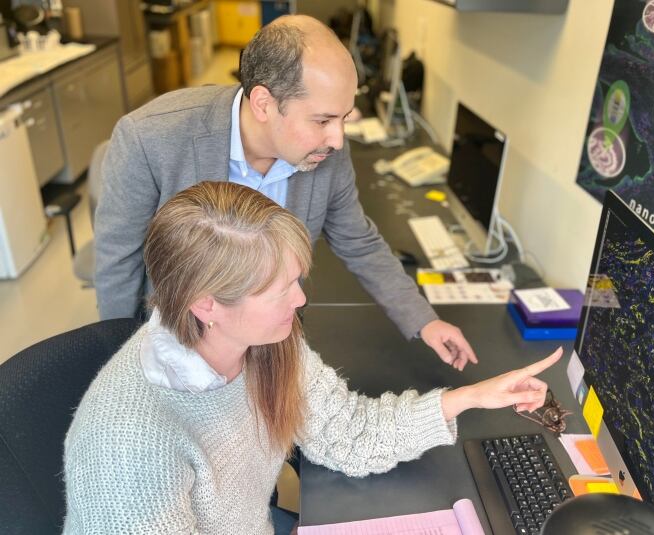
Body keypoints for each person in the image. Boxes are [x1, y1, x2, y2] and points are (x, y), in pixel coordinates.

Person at [64, 182, 562, 534]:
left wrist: (470, 397)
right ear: (206, 303)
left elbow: (348, 435)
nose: (301, 301)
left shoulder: (266, 344)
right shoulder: (127, 446)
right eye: (282, 290)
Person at [95, 14, 475, 370]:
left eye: (343, 118)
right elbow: (118, 261)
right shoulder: (150, 137)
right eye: (323, 120)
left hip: (271, 340)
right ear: (263, 103)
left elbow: (359, 241)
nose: (338, 140)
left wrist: (424, 321)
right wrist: (122, 362)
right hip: (179, 339)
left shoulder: (323, 151)